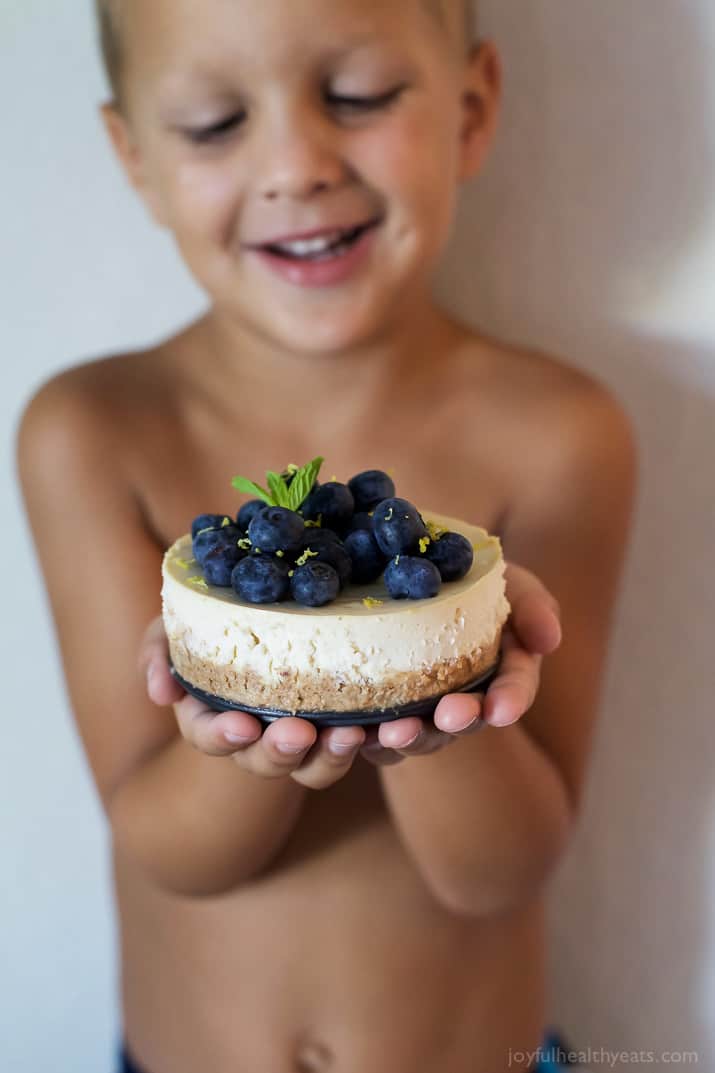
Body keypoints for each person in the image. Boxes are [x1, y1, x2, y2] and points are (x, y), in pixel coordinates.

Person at [16, 0, 637, 1070]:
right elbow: (169, 846)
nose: (296, 162)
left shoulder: (560, 435)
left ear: (471, 108)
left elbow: (503, 868)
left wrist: (447, 692)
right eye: (215, 122)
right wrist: (241, 722)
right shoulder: (91, 432)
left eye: (356, 96)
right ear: (135, 156)